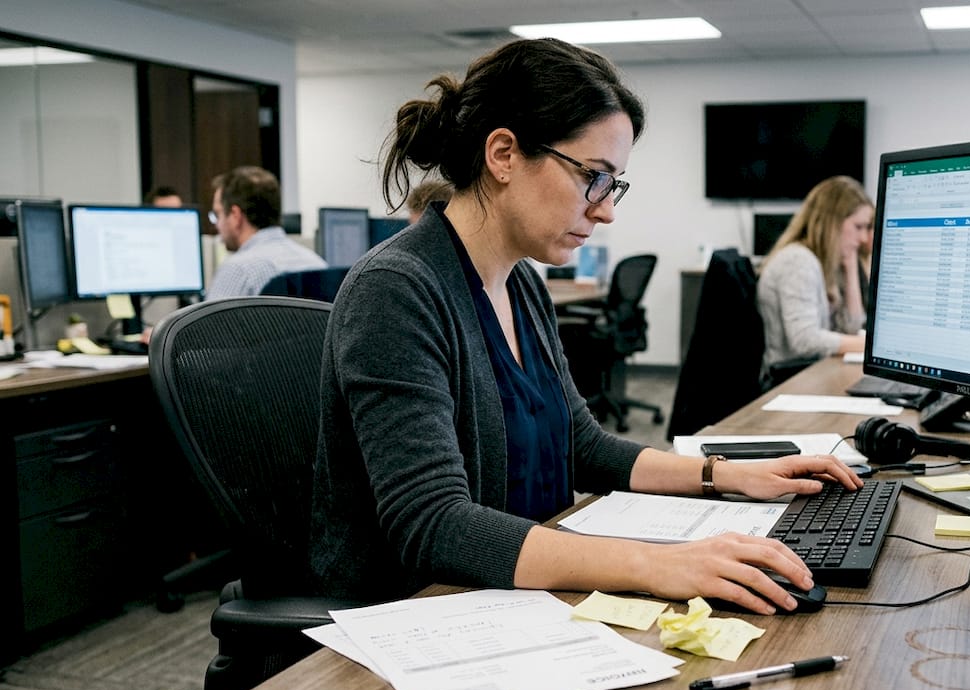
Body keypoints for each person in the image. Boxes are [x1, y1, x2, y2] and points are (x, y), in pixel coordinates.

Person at [309, 38, 861, 614]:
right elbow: (433, 523)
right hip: (420, 617)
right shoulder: (397, 289)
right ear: (503, 154)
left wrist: (725, 475)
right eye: (593, 176)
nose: (606, 209)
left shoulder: (520, 281)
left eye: (613, 183)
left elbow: (581, 446)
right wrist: (657, 563)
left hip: (520, 593)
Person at [756, 175, 874, 371]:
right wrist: (870, 346)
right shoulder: (797, 261)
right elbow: (804, 340)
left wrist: (851, 266)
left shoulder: (822, 263)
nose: (863, 238)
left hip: (807, 371)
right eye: (858, 227)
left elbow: (852, 328)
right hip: (786, 377)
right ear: (832, 223)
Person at [206, 166, 326, 299]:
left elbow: (206, 320)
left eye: (218, 214)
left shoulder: (238, 271)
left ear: (235, 216)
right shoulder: (316, 263)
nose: (216, 224)